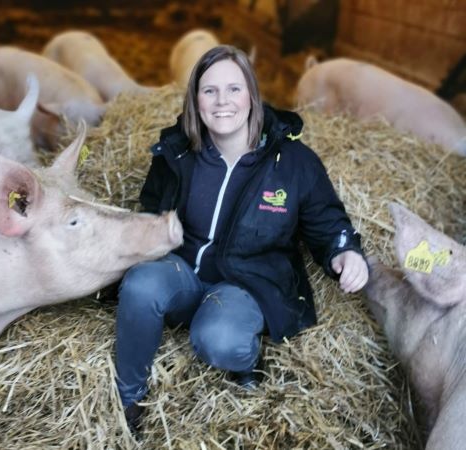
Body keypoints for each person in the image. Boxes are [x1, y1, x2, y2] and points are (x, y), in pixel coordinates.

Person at [114, 45, 369, 433]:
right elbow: (150, 207)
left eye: (234, 89)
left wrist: (344, 251)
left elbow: (326, 218)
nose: (222, 102)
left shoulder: (292, 161)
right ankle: (130, 399)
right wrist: (155, 227)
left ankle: (246, 358)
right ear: (195, 99)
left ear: (252, 94)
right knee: (140, 284)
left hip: (246, 281)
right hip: (182, 269)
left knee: (219, 339)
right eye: (209, 90)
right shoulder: (177, 151)